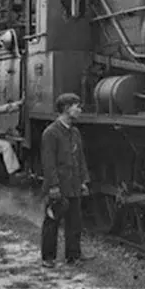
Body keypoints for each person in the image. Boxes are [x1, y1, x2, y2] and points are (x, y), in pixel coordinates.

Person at [40, 93, 94, 267]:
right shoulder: (51, 133)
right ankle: (48, 257)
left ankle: (73, 255)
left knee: (74, 221)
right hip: (59, 184)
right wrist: (53, 185)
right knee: (52, 221)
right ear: (65, 108)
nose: (79, 110)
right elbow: (48, 163)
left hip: (74, 183)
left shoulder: (75, 132)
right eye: (76, 106)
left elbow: (81, 158)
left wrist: (84, 180)